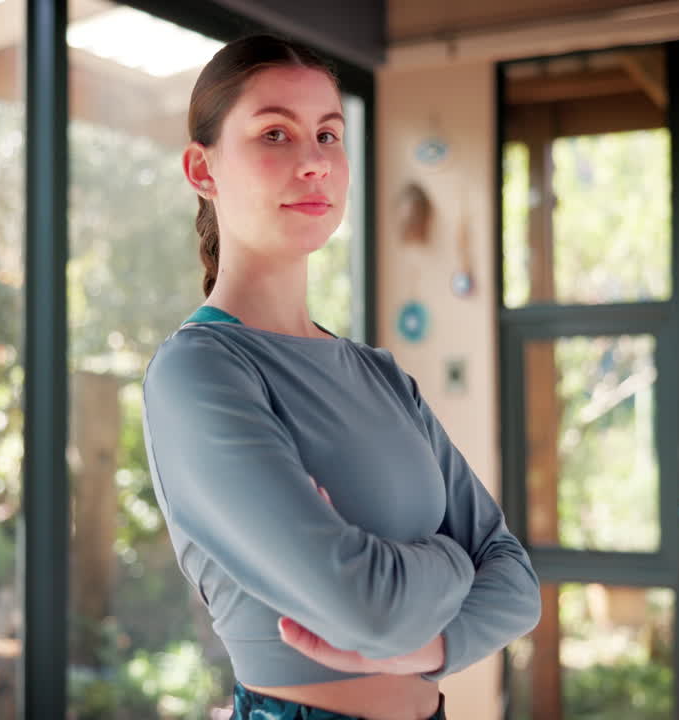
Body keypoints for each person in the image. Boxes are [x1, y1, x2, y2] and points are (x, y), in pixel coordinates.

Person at [140, 34, 541, 720]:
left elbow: (517, 582)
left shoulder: (378, 373)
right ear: (202, 170)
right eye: (275, 133)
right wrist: (453, 560)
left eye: (328, 134)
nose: (313, 162)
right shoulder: (197, 373)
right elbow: (370, 612)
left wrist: (433, 645)